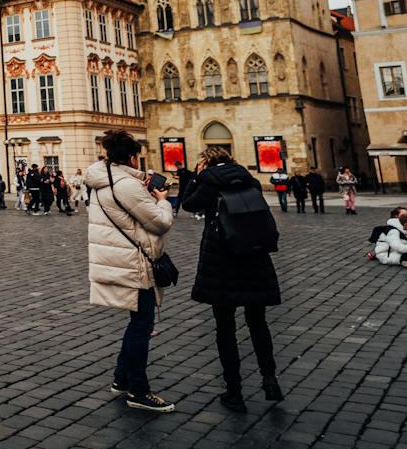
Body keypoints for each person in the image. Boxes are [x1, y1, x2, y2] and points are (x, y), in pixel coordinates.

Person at [179, 150, 281, 413]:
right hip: (254, 255)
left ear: (207, 163)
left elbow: (188, 203)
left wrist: (196, 176)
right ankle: (270, 379)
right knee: (258, 323)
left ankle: (234, 391)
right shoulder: (249, 179)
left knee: (225, 329)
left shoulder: (209, 181)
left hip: (223, 260)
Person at [85, 133, 174, 413]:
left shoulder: (103, 178)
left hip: (117, 258)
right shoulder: (126, 185)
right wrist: (162, 200)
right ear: (133, 157)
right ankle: (138, 389)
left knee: (138, 322)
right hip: (133, 263)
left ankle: (122, 379)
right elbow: (159, 223)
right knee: (141, 326)